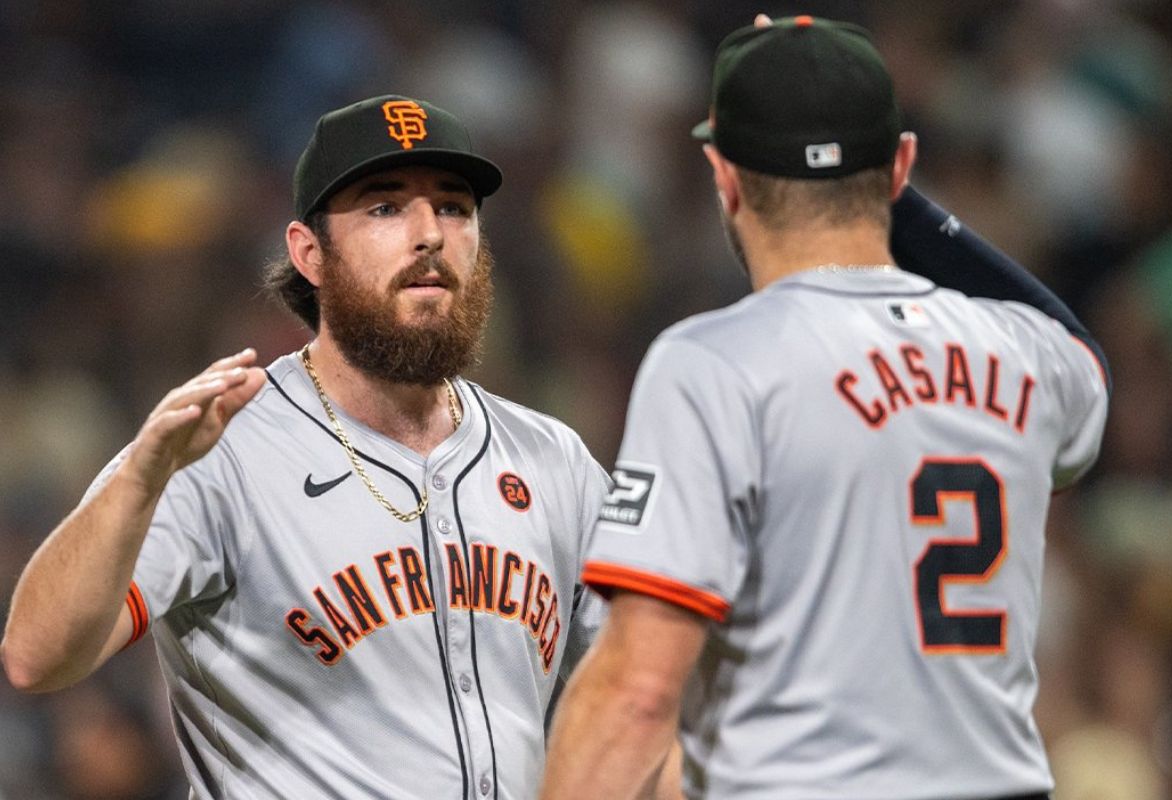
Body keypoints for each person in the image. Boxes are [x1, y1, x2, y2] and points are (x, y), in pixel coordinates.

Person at [541, 15, 1109, 800]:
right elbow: (1080, 352)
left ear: (724, 175)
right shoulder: (1027, 351)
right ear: (902, 166)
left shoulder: (714, 361)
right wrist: (890, 198)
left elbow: (637, 691)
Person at [2, 95, 614, 800]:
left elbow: (643, 700)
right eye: (385, 208)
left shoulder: (553, 459)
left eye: (454, 207)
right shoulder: (222, 447)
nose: (430, 235)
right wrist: (140, 479)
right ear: (309, 253)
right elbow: (35, 658)